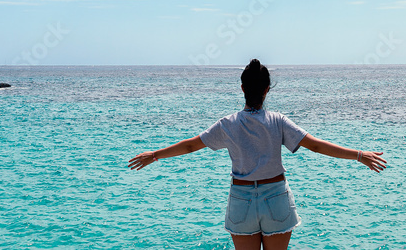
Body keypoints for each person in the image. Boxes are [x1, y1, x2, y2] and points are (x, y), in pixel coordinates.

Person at [128, 59, 387, 249]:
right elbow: (316, 145)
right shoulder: (278, 121)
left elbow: (189, 145)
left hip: (241, 199)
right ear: (267, 90)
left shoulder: (227, 124)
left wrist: (155, 155)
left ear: (242, 88)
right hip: (276, 196)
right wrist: (359, 155)